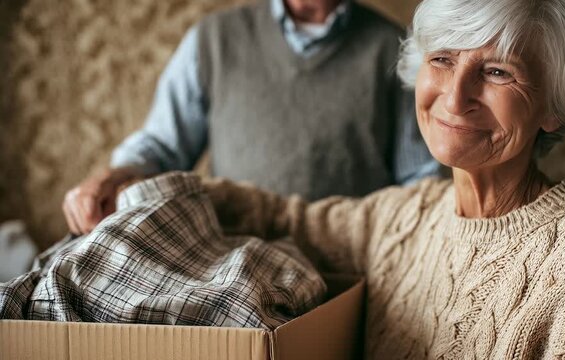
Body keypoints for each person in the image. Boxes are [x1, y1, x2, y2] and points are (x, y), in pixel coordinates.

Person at [193, 0, 565, 358]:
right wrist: (148, 192)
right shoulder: (406, 214)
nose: (455, 96)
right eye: (442, 58)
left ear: (554, 105)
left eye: (498, 71)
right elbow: (282, 219)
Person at [61, 0, 440, 235]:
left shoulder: (395, 48)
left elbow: (418, 182)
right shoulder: (213, 40)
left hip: (352, 276)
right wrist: (110, 179)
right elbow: (161, 149)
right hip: (232, 266)